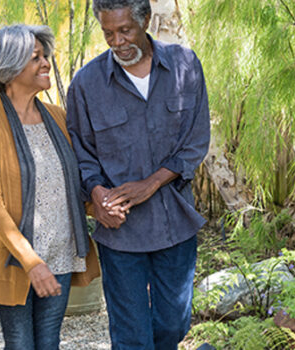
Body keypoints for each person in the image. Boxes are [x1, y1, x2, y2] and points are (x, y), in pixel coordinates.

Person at [66, 0, 211, 349]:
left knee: (173, 327)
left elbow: (195, 140)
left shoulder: (184, 65)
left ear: (145, 20)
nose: (117, 41)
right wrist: (97, 194)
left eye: (125, 30)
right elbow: (82, 155)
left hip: (174, 222)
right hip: (120, 231)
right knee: (132, 336)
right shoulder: (87, 84)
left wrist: (151, 183)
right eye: (108, 33)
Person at [0, 24, 100, 350]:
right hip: (16, 259)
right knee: (21, 344)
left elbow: (75, 185)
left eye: (46, 56)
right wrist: (32, 262)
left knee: (49, 341)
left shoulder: (58, 117)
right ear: (11, 67)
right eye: (36, 58)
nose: (46, 64)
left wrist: (106, 205)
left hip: (60, 250)